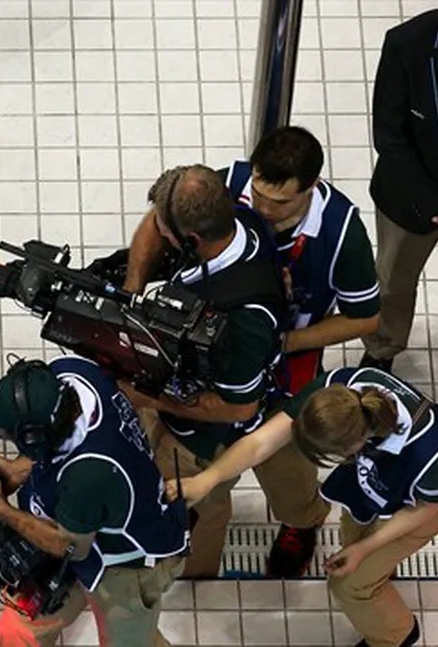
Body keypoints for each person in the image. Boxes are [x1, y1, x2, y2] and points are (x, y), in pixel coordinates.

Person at [172, 366, 438, 647]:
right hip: (377, 482)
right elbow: (261, 443)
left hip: (427, 503)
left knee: (348, 585)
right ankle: (377, 573)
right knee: (352, 533)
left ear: (354, 447)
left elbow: (426, 508)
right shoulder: (343, 390)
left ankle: (397, 635)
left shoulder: (430, 452)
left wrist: (365, 549)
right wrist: (208, 479)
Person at [215, 125, 381, 576]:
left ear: (311, 187)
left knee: (287, 469)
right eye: (259, 195)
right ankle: (202, 511)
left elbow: (366, 317)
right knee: (208, 459)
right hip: (218, 354)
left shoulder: (339, 230)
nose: (264, 209)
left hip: (289, 371)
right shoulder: (229, 187)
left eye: (281, 202)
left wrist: (286, 341)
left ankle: (300, 521)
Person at [120, 165, 288, 578]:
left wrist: (151, 400)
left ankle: (197, 572)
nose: (156, 233)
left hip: (200, 438)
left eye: (165, 231)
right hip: (171, 392)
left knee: (202, 504)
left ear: (191, 241)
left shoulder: (244, 320)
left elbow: (239, 409)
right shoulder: (235, 219)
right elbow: (154, 223)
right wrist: (133, 287)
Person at [0, 355, 187, 647]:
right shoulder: (72, 373)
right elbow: (62, 442)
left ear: (34, 436)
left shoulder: (90, 475)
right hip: (80, 524)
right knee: (19, 633)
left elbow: (69, 547)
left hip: (126, 567)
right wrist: (20, 467)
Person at [364, 0, 438, 394]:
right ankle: (382, 346)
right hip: (412, 194)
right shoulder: (407, 44)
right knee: (394, 279)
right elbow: (390, 137)